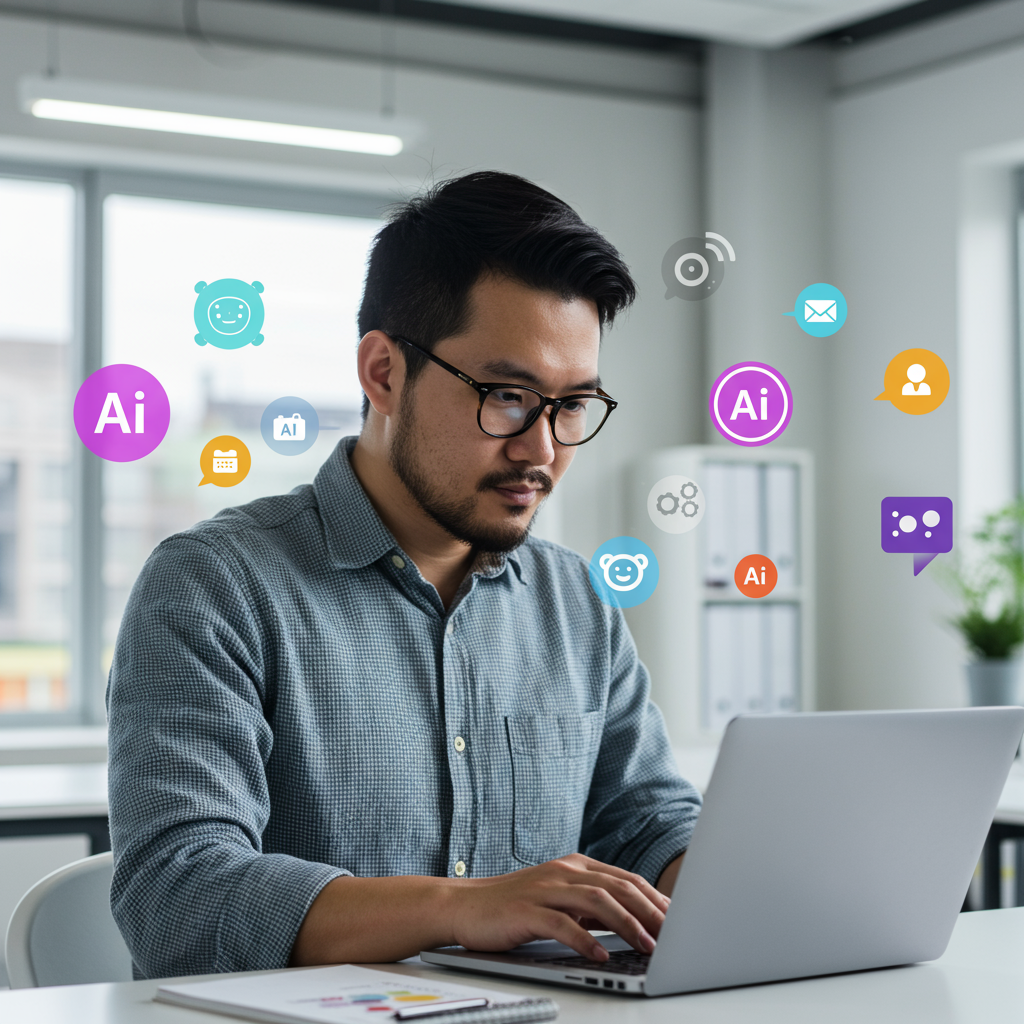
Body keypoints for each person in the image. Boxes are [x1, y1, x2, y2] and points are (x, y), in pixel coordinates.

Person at [106, 171, 702, 980]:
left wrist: (748, 884)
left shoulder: (578, 602)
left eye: (571, 406)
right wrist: (463, 907)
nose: (541, 450)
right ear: (383, 373)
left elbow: (647, 824)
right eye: (507, 395)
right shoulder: (214, 586)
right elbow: (177, 899)